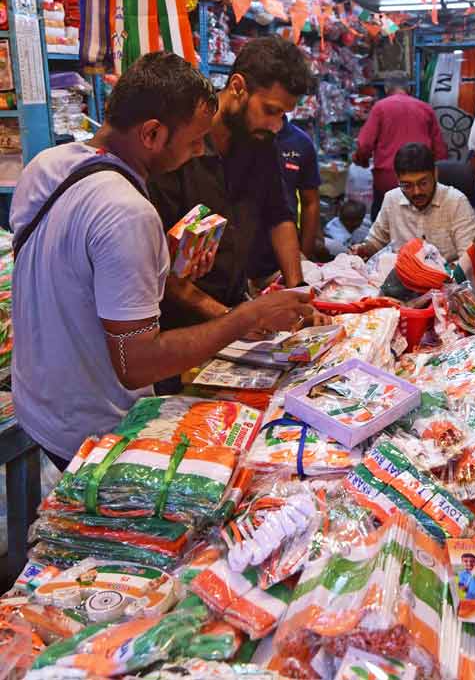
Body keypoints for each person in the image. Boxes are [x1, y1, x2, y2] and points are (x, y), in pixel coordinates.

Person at [11, 52, 314, 467]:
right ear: (152, 134)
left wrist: (156, 264)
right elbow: (136, 364)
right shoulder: (128, 212)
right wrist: (245, 317)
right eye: (193, 143)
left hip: (40, 401)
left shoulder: (49, 164)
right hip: (90, 430)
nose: (196, 153)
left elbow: (71, 270)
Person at [150, 37, 315, 334]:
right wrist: (231, 319)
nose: (277, 125)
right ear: (238, 87)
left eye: (282, 115)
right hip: (177, 323)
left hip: (234, 302)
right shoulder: (179, 147)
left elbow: (279, 215)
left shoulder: (261, 142)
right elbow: (157, 262)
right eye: (269, 110)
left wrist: (297, 291)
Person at [351, 143, 475, 263]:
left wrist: (440, 274)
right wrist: (363, 249)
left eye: (423, 183)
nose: (416, 192)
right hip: (402, 281)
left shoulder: (456, 202)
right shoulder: (391, 199)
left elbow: (473, 259)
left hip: (446, 281)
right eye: (407, 185)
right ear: (398, 179)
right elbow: (376, 242)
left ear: (435, 174)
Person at [352, 72, 448, 219]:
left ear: (386, 89)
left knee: (383, 226)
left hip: (388, 179)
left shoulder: (380, 108)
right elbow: (440, 152)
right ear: (408, 88)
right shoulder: (425, 108)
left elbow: (365, 145)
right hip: (421, 182)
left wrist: (361, 160)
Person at [255, 117, 320, 278]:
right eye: (270, 110)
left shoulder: (300, 142)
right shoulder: (242, 137)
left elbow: (310, 202)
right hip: (244, 250)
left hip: (283, 247)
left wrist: (304, 254)